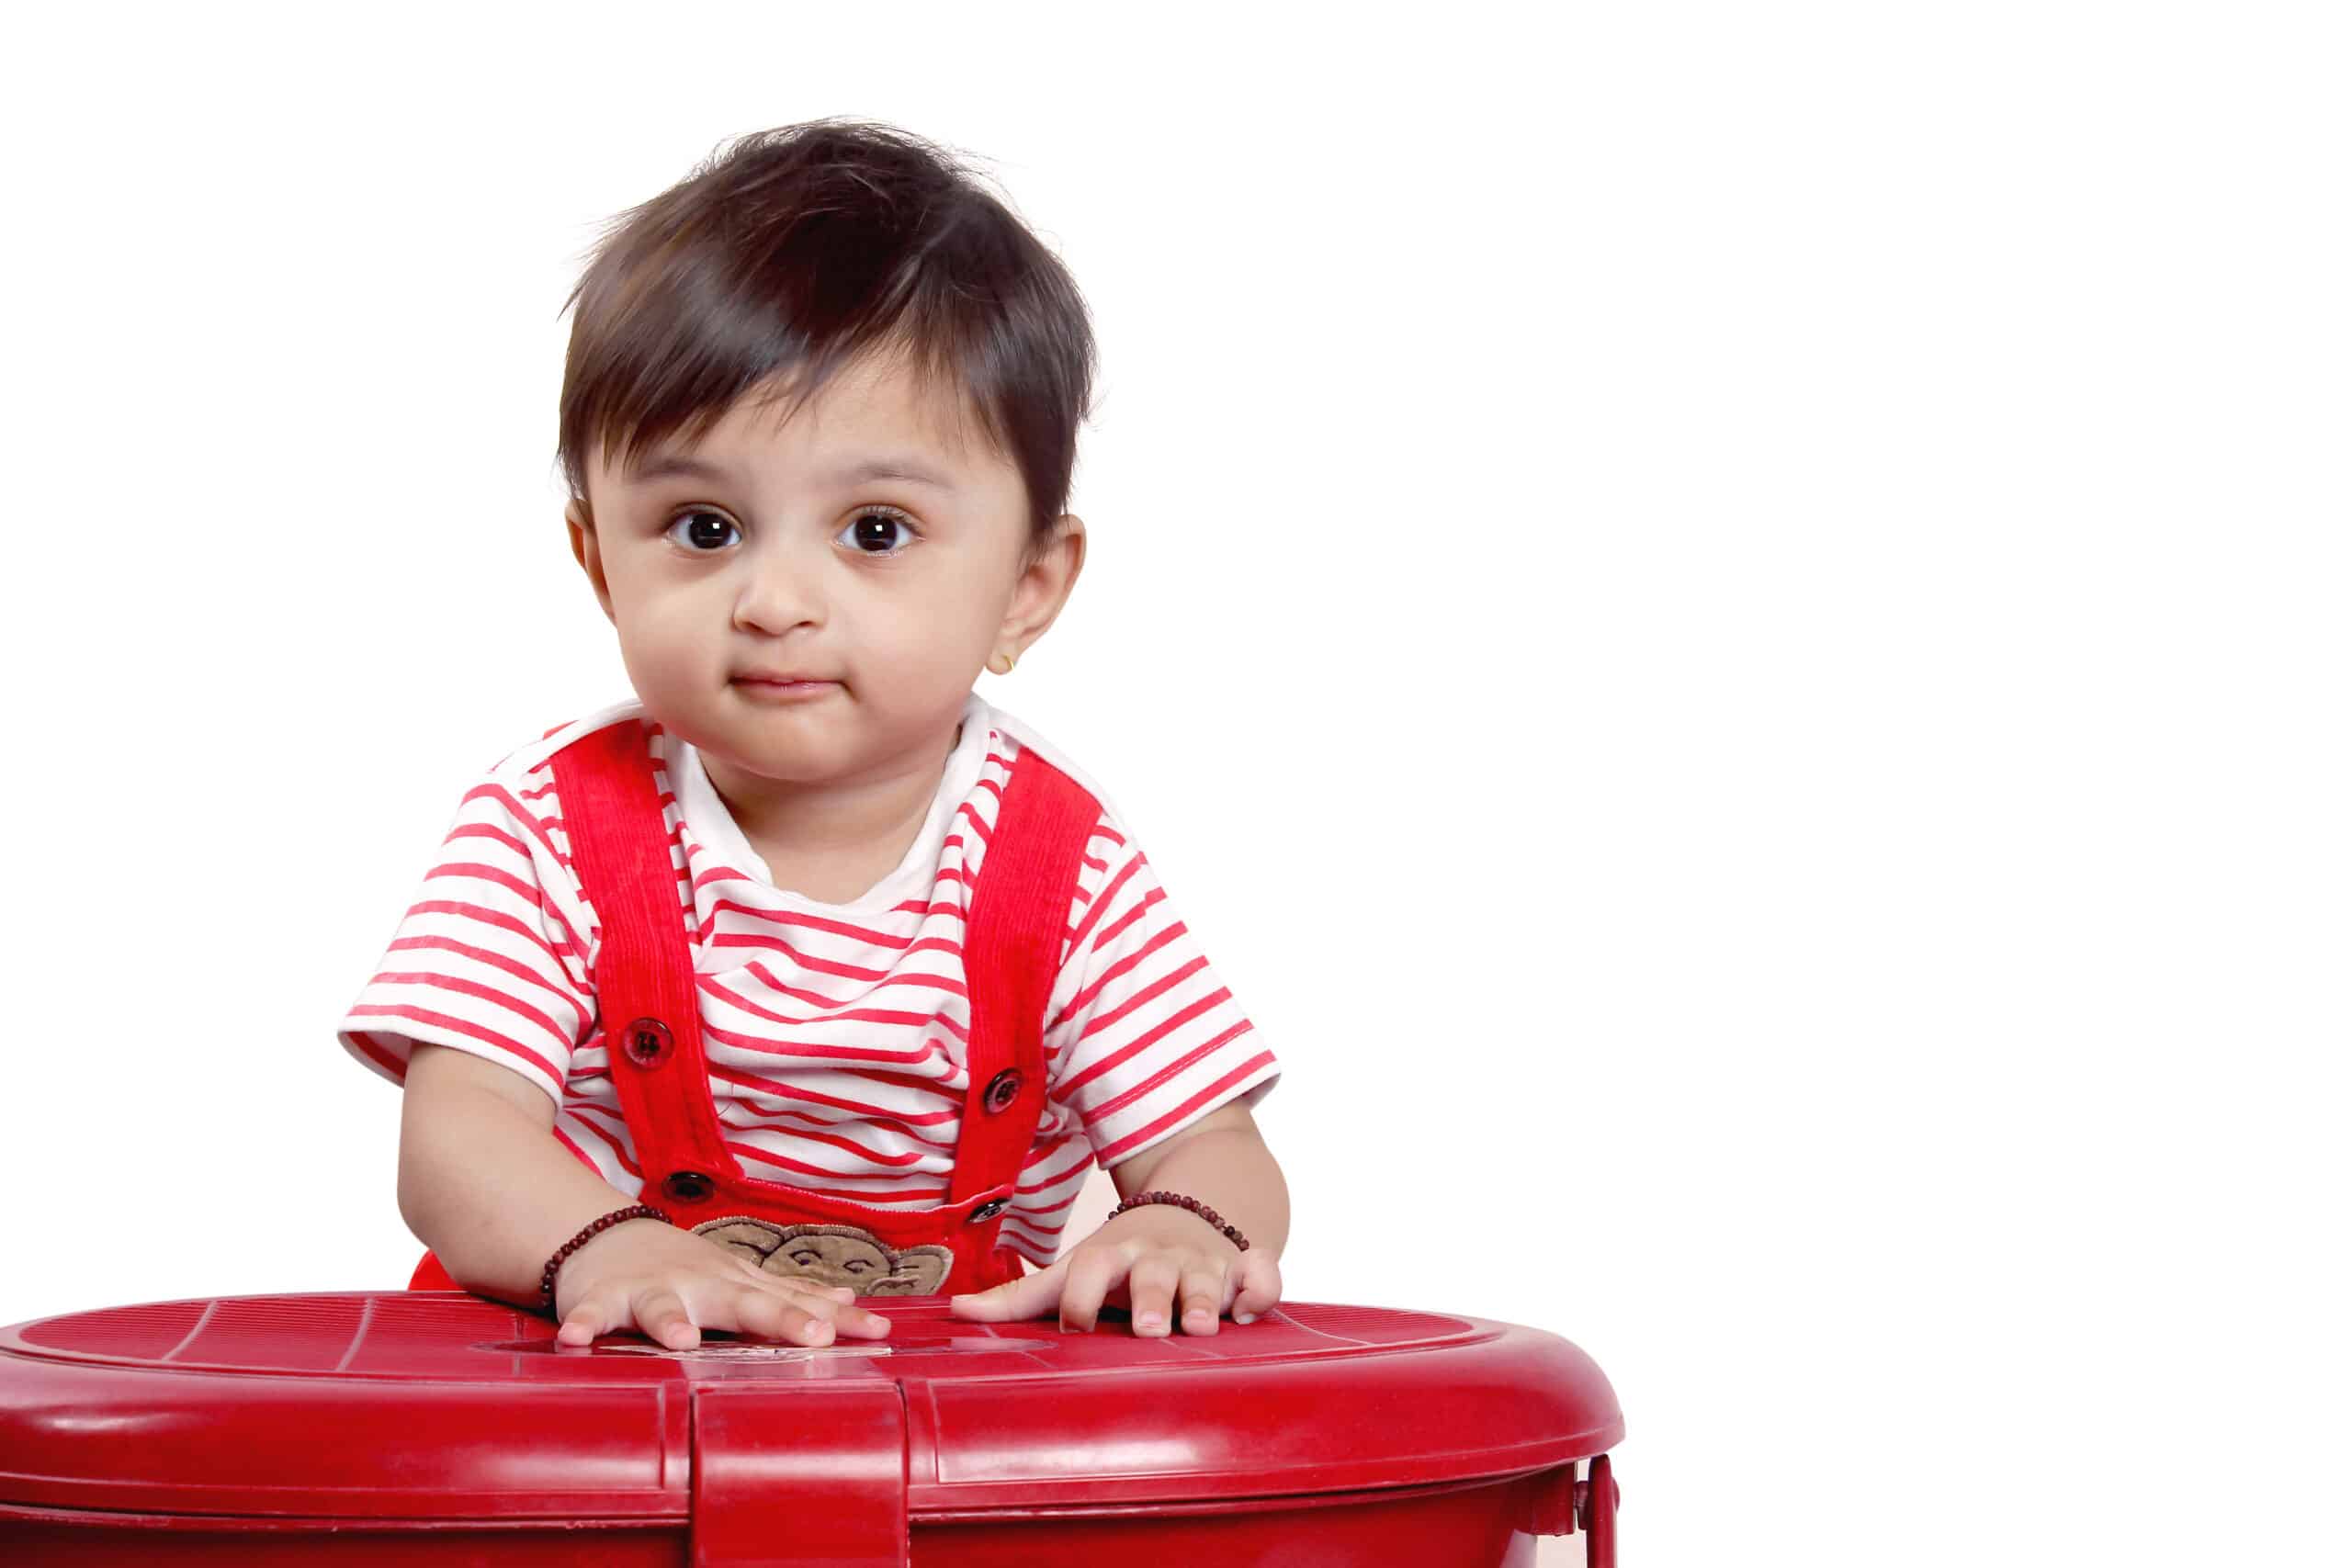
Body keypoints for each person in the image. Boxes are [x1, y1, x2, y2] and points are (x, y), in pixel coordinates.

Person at [336, 118, 1287, 1353]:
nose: (773, 601)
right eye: (704, 527)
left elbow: (1214, 1141)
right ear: (597, 562)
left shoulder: (1068, 872)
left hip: (940, 1437)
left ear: (1027, 588)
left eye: (875, 530)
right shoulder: (546, 830)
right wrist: (603, 1247)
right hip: (594, 1403)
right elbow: (459, 1129)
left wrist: (1186, 1228)